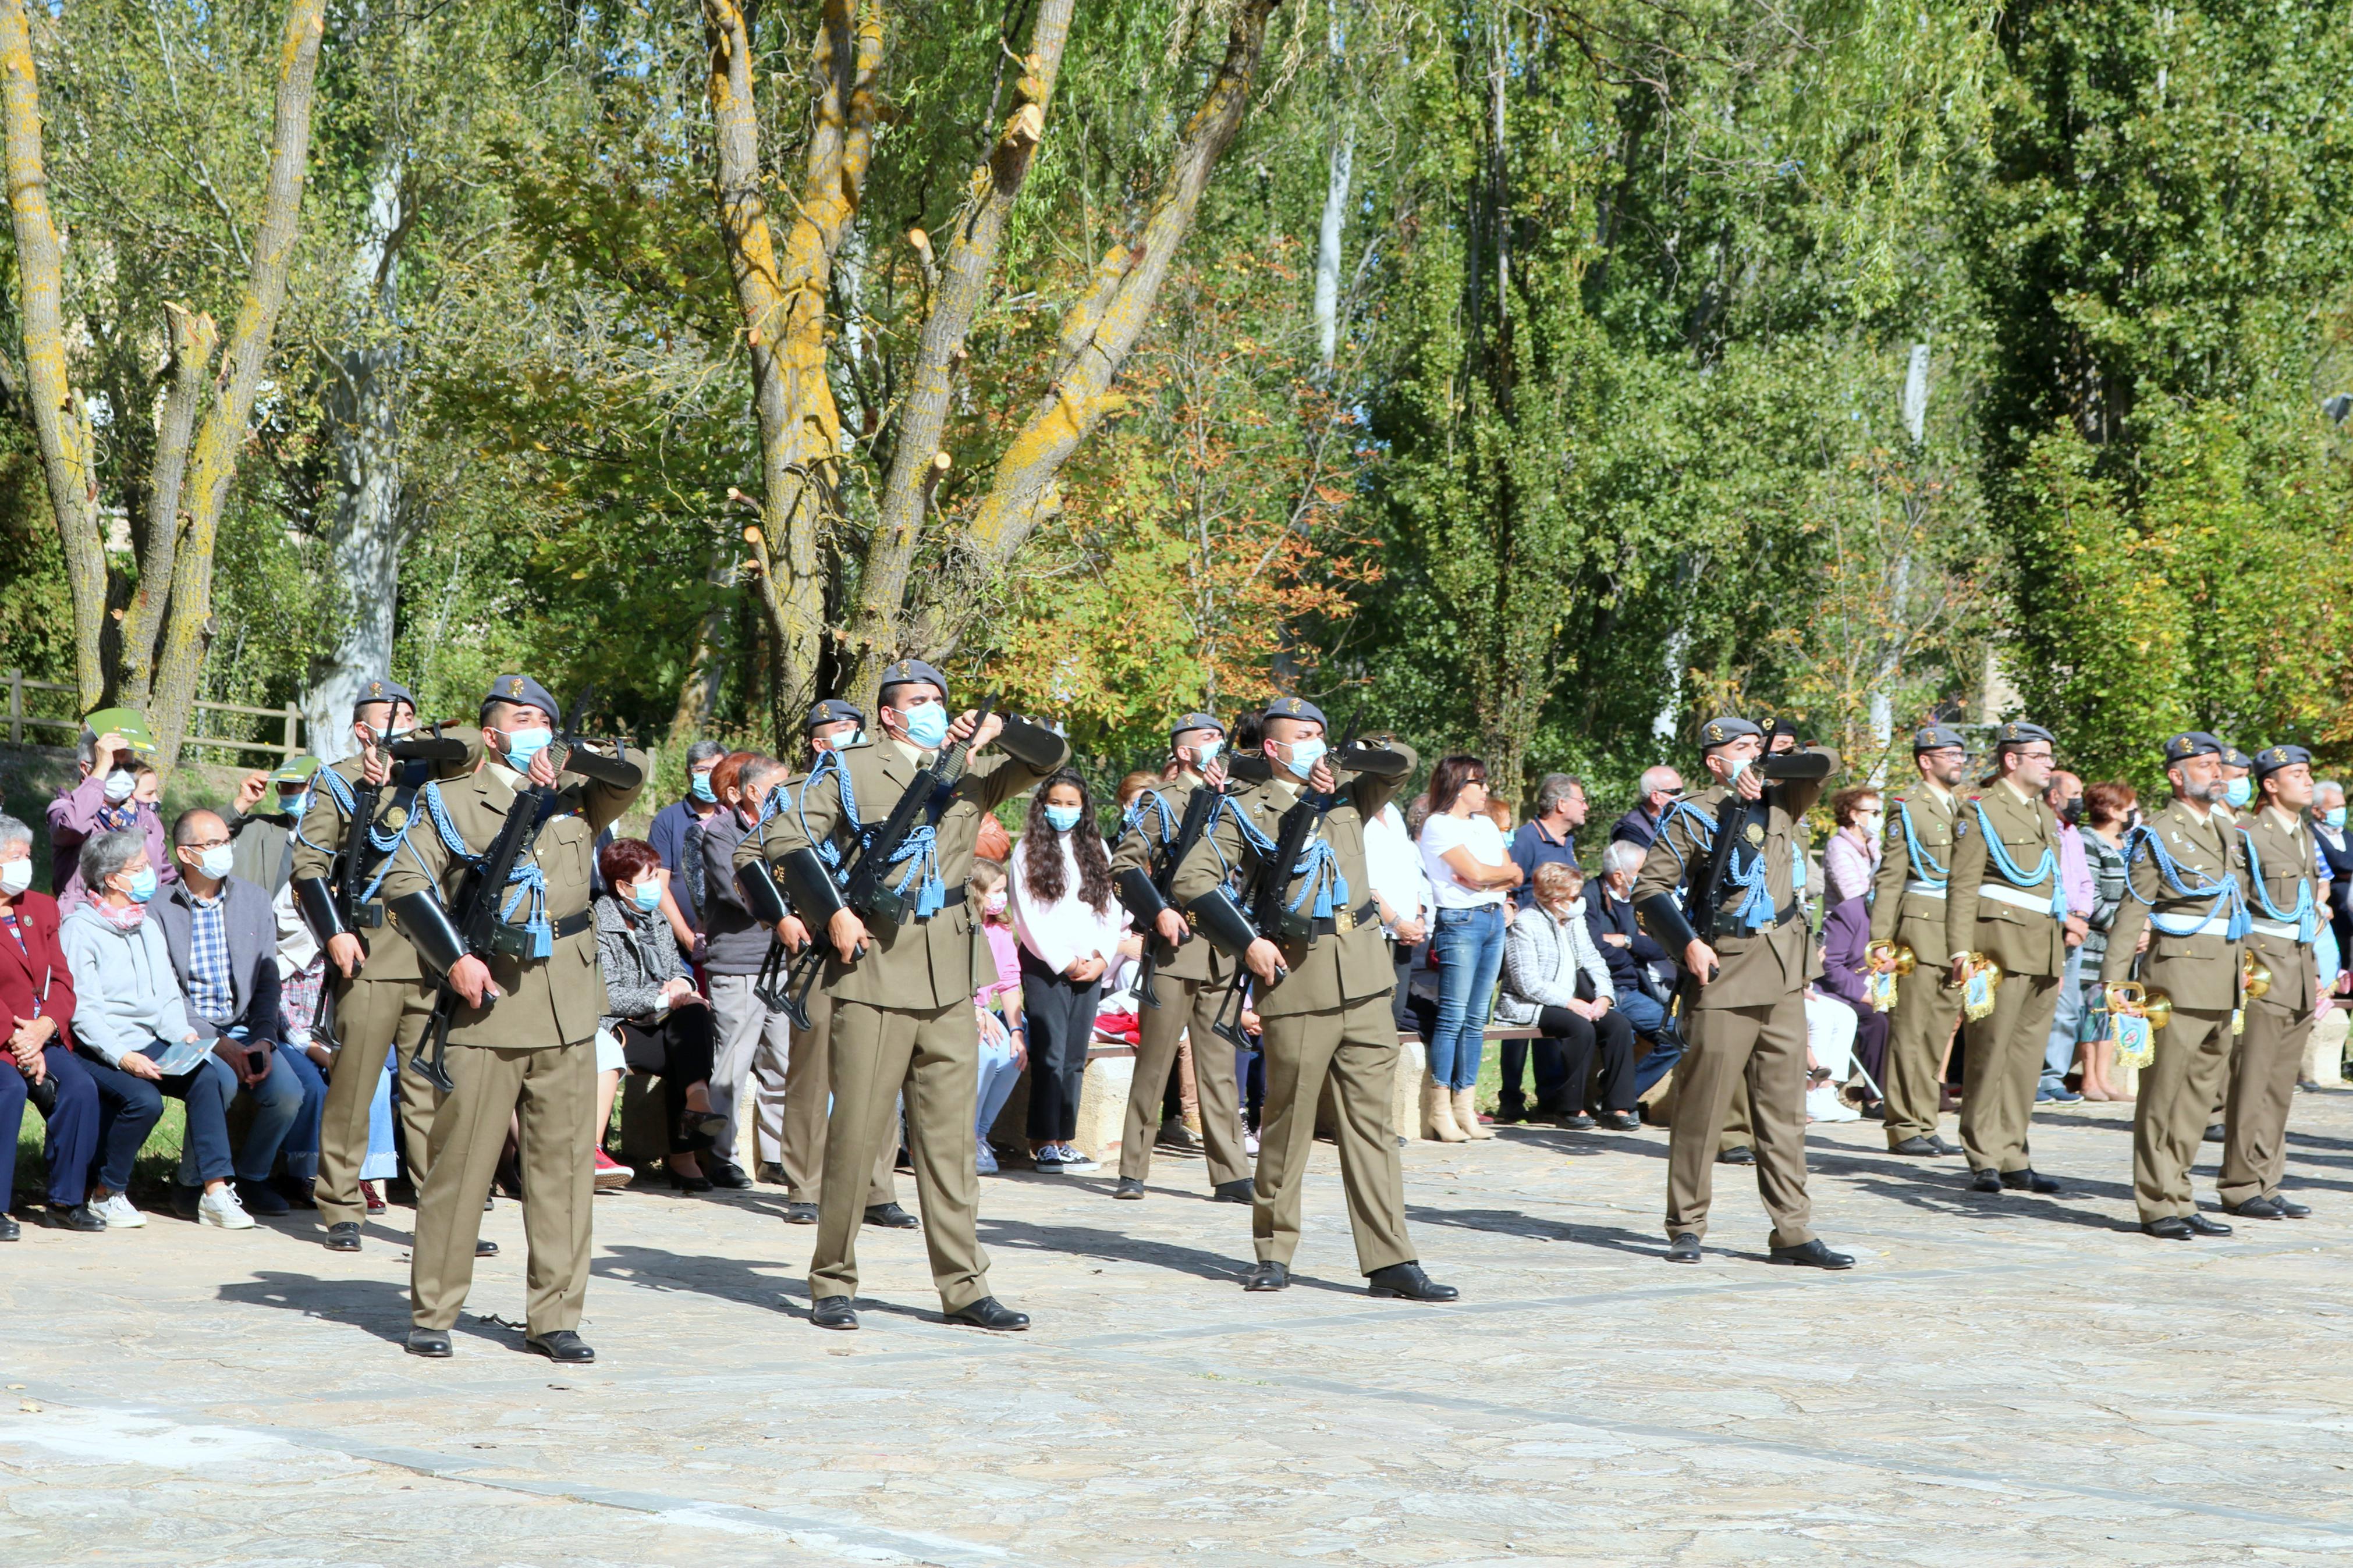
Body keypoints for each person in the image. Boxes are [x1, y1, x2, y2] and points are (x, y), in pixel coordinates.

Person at [753, 659, 1066, 1332]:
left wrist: (999, 731)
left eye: (938, 699)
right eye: (916, 700)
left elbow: (1051, 759)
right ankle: (832, 1279)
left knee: (950, 1145)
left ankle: (965, 1286)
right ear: (890, 714)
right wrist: (829, 909)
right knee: (857, 1136)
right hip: (873, 968)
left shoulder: (974, 769)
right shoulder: (850, 766)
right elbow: (778, 835)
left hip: (950, 972)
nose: (931, 708)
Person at [379, 674, 643, 1361]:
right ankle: (434, 1310)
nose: (535, 728)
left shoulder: (578, 799)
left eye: (544, 718)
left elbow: (635, 770)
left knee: (560, 1172)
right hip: (486, 1001)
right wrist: (452, 960)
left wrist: (576, 756)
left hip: (565, 1007)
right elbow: (404, 884)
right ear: (491, 733)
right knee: (460, 1167)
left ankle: (555, 1317)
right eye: (521, 718)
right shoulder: (451, 798)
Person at [1173, 698, 1455, 1300]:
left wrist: (1346, 758)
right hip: (1296, 981)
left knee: (1373, 1128)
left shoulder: (1351, 791)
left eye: (1318, 734)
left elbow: (1402, 763)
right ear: (1271, 748)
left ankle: (1390, 1261)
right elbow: (1192, 880)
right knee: (1288, 1125)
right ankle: (1273, 1252)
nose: (1312, 743)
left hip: (1363, 976)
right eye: (1299, 736)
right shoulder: (1246, 810)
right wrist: (1246, 943)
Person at [1633, 715, 1851, 1270]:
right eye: (1742, 747)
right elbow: (1650, 889)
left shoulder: (1782, 800)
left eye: (1759, 744)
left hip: (1782, 971)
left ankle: (1793, 1230)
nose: (1752, 753)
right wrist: (1686, 945)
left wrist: (1770, 765)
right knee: (1703, 1109)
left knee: (1783, 1111)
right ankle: (1686, 1224)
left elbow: (1826, 759)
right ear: (1714, 760)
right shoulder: (1694, 814)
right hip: (1723, 969)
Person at [291, 678, 478, 1254]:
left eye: (413, 716)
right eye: (391, 716)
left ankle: (438, 1210)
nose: (407, 725)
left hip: (430, 952)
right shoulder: (339, 781)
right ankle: (342, 1205)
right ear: (363, 728)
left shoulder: (434, 779)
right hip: (368, 949)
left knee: (430, 1087)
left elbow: (472, 743)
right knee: (355, 1085)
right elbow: (309, 867)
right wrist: (335, 935)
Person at [738, 711, 908, 1224]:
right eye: (840, 731)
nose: (852, 739)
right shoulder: (792, 792)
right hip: (814, 946)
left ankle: (879, 1188)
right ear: (818, 743)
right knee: (811, 1072)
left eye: (857, 728)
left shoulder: (887, 784)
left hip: (874, 943)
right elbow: (751, 855)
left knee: (879, 1069)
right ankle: (805, 1186)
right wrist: (783, 916)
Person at [59, 830, 256, 1230]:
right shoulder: (79, 929)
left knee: (206, 1078)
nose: (151, 874)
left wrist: (182, 1033)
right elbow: (84, 1010)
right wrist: (123, 1056)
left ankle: (215, 1192)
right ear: (113, 878)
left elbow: (166, 995)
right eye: (140, 868)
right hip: (97, 1046)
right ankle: (106, 1193)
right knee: (144, 1100)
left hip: (151, 1039)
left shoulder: (145, 924)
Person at [2100, 731, 2246, 1242]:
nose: (2216, 773)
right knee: (2163, 1096)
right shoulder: (2159, 831)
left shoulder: (2226, 828)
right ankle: (2155, 1201)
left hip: (2222, 977)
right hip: (2178, 975)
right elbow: (2133, 908)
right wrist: (2115, 979)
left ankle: (2181, 1195)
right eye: (2204, 765)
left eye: (2217, 764)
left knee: (2198, 1098)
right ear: (2176, 775)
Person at [1110, 713, 1251, 1201]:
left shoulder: (1237, 802)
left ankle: (1231, 1171)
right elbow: (1124, 863)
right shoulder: (1163, 802)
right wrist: (1157, 912)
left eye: (1220, 737)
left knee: (1219, 1065)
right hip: (1176, 946)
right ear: (1185, 752)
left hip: (1223, 946)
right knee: (1155, 1060)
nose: (1218, 746)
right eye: (1208, 739)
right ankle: (1133, 1168)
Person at [154, 809, 312, 1218]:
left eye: (227, 841)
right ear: (185, 853)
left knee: (288, 1093)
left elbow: (267, 979)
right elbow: (167, 992)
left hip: (246, 1025)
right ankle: (192, 1184)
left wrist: (263, 1037)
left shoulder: (254, 899)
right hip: (187, 1030)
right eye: (213, 844)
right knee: (219, 1080)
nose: (226, 851)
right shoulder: (159, 908)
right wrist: (217, 1042)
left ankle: (253, 1177)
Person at [1942, 721, 2071, 1195]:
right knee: (1989, 1052)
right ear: (2011, 760)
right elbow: (1962, 884)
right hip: (1997, 944)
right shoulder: (1981, 809)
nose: (2050, 764)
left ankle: (2014, 1152)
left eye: (2050, 756)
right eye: (2040, 756)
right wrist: (1959, 950)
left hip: (2044, 945)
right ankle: (1982, 1154)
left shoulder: (2041, 810)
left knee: (2024, 1060)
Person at [2220, 745, 2322, 1220]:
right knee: (2251, 1080)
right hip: (2262, 967)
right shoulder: (2248, 834)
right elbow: (2235, 906)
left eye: (2307, 774)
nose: (2308, 782)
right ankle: (2240, 1184)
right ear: (2270, 784)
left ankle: (2268, 1178)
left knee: (2280, 1084)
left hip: (2298, 967)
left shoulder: (2301, 831)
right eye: (2297, 774)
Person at [594, 838, 725, 1190]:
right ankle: (684, 1150)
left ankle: (696, 1106)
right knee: (682, 1041)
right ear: (623, 885)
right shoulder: (599, 922)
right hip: (619, 1026)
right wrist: (664, 997)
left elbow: (674, 968)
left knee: (694, 1018)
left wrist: (683, 987)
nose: (658, 886)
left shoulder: (655, 917)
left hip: (660, 1020)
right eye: (649, 878)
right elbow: (608, 996)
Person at [1010, 768, 1121, 1173]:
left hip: (1090, 965)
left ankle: (1064, 1138)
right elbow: (1026, 917)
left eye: (1071, 804)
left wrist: (1101, 958)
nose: (1063, 810)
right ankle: (1042, 1141)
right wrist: (1065, 961)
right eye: (1055, 803)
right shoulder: (1026, 850)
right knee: (1050, 1053)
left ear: (1083, 807)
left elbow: (1111, 910)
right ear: (1042, 805)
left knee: (1075, 1054)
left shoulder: (1097, 848)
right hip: (1047, 966)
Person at [1868, 724, 1969, 1158]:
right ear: (1925, 760)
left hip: (1955, 931)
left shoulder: (1964, 807)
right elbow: (1890, 878)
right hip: (1920, 925)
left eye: (1961, 753)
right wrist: (1880, 940)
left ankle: (1926, 1120)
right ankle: (1902, 1124)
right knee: (1909, 1032)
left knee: (1937, 1033)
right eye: (1949, 754)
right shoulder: (1908, 808)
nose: (1959, 760)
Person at [0, 814, 102, 1236]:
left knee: (79, 1088)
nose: (25, 863)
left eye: (27, 854)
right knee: (7, 1090)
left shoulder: (40, 906)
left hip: (38, 1034)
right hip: (7, 1037)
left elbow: (61, 979)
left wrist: (44, 1027)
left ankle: (66, 1200)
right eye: (14, 856)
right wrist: (17, 1039)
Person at [698, 749, 794, 1193]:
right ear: (754, 792)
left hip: (783, 961)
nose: (790, 796)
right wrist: (793, 905)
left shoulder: (791, 828)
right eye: (781, 788)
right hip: (738, 963)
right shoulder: (721, 831)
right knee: (731, 1067)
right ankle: (721, 1157)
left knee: (781, 1063)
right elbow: (739, 891)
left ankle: (774, 1156)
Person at [1417, 755, 1520, 1141]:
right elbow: (1475, 873)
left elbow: (1514, 872)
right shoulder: (1438, 824)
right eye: (1479, 782)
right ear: (1459, 785)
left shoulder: (1488, 824)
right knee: (1453, 1016)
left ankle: (1465, 1104)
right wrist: (1486, 877)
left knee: (1477, 1018)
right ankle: (1440, 1106)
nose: (1486, 790)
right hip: (1460, 923)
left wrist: (1487, 879)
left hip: (1493, 917)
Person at [1496, 861, 1639, 1129]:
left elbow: (1593, 960)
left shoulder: (1574, 920)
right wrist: (1571, 1003)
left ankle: (1618, 1106)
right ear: (1555, 899)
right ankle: (1568, 1107)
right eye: (1575, 897)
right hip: (1530, 1004)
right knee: (1579, 1028)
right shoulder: (1526, 924)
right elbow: (1527, 983)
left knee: (1618, 1025)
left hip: (1573, 1001)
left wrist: (1604, 997)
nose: (1580, 902)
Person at [48, 710, 171, 908]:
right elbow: (75, 824)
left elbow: (165, 878)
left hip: (139, 922)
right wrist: (102, 768)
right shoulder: (65, 808)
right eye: (113, 766)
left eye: (129, 767)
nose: (122, 774)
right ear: (86, 768)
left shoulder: (146, 818)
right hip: (86, 923)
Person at [2074, 781, 2137, 1102]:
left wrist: (2141, 930)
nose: (2132, 812)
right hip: (2098, 940)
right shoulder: (2088, 841)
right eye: (2128, 806)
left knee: (2115, 1006)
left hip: (2125, 944)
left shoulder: (2129, 842)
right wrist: (2122, 929)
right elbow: (2091, 892)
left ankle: (2106, 1079)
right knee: (2094, 1008)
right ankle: (2089, 1080)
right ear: (2112, 810)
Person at [2033, 770, 2094, 1105]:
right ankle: (2030, 1078)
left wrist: (2081, 918)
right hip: (2049, 925)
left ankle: (2053, 1077)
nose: (2080, 802)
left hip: (2075, 928)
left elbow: (2085, 882)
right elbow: (2042, 880)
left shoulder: (2074, 834)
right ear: (2054, 795)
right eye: (2074, 794)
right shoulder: (2040, 828)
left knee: (2068, 1008)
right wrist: (2067, 921)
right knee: (2040, 1005)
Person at [968, 860, 1025, 1174]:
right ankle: (963, 1138)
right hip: (961, 1011)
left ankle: (979, 1134)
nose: (1003, 898)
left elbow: (1009, 980)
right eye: (998, 891)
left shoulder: (999, 929)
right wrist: (976, 1010)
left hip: (986, 1013)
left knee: (1011, 1056)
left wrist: (1016, 1030)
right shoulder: (961, 927)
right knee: (986, 1055)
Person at [648, 739, 727, 933]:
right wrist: (686, 937)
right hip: (685, 941)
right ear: (688, 774)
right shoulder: (667, 820)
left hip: (731, 941)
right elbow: (659, 885)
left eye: (716, 770)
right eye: (702, 770)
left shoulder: (734, 816)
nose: (710, 777)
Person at [225, 756, 320, 897]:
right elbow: (200, 836)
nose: (291, 791)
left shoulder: (342, 835)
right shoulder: (255, 828)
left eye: (299, 784)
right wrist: (242, 802)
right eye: (285, 785)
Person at [1508, 773, 1586, 909]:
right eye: (1581, 801)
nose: (1586, 807)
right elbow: (1508, 887)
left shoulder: (1568, 840)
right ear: (1561, 804)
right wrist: (1510, 906)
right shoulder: (1527, 839)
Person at [2312, 780, 2353, 987]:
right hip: (2329, 915)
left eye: (2343, 806)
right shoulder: (2311, 835)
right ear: (2317, 811)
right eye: (2335, 807)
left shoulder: (2346, 835)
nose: (2341, 811)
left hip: (2349, 916)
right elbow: (2341, 864)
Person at [1822, 787, 1882, 905]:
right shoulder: (1838, 848)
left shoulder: (1872, 847)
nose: (1880, 818)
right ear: (1855, 815)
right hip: (1847, 922)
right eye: (1875, 813)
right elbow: (1853, 896)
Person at [1610, 766, 1684, 849]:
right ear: (1656, 797)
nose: (1682, 796)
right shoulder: (1630, 830)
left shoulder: (1676, 820)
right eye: (1677, 792)